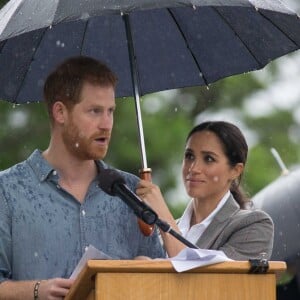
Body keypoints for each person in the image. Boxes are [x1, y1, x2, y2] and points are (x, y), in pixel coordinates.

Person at [0, 56, 164, 299]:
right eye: (95, 111)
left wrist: (146, 269)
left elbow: (162, 283)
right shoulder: (7, 190)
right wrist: (36, 290)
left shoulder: (133, 193)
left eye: (110, 111)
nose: (106, 124)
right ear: (60, 112)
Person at [136, 121, 274, 260]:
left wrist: (163, 215)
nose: (193, 168)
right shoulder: (159, 233)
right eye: (189, 156)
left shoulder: (253, 226)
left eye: (209, 159)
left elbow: (204, 277)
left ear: (235, 170)